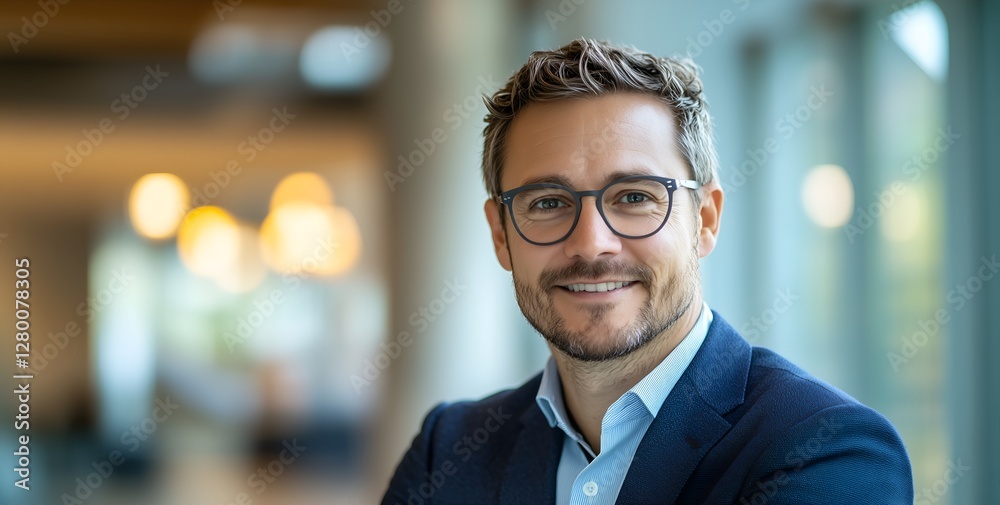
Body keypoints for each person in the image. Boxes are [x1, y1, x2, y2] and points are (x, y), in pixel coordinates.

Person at [382, 38, 913, 504]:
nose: (591, 243)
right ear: (501, 235)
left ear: (704, 220)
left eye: (634, 197)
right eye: (547, 203)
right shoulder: (447, 449)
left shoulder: (828, 452)